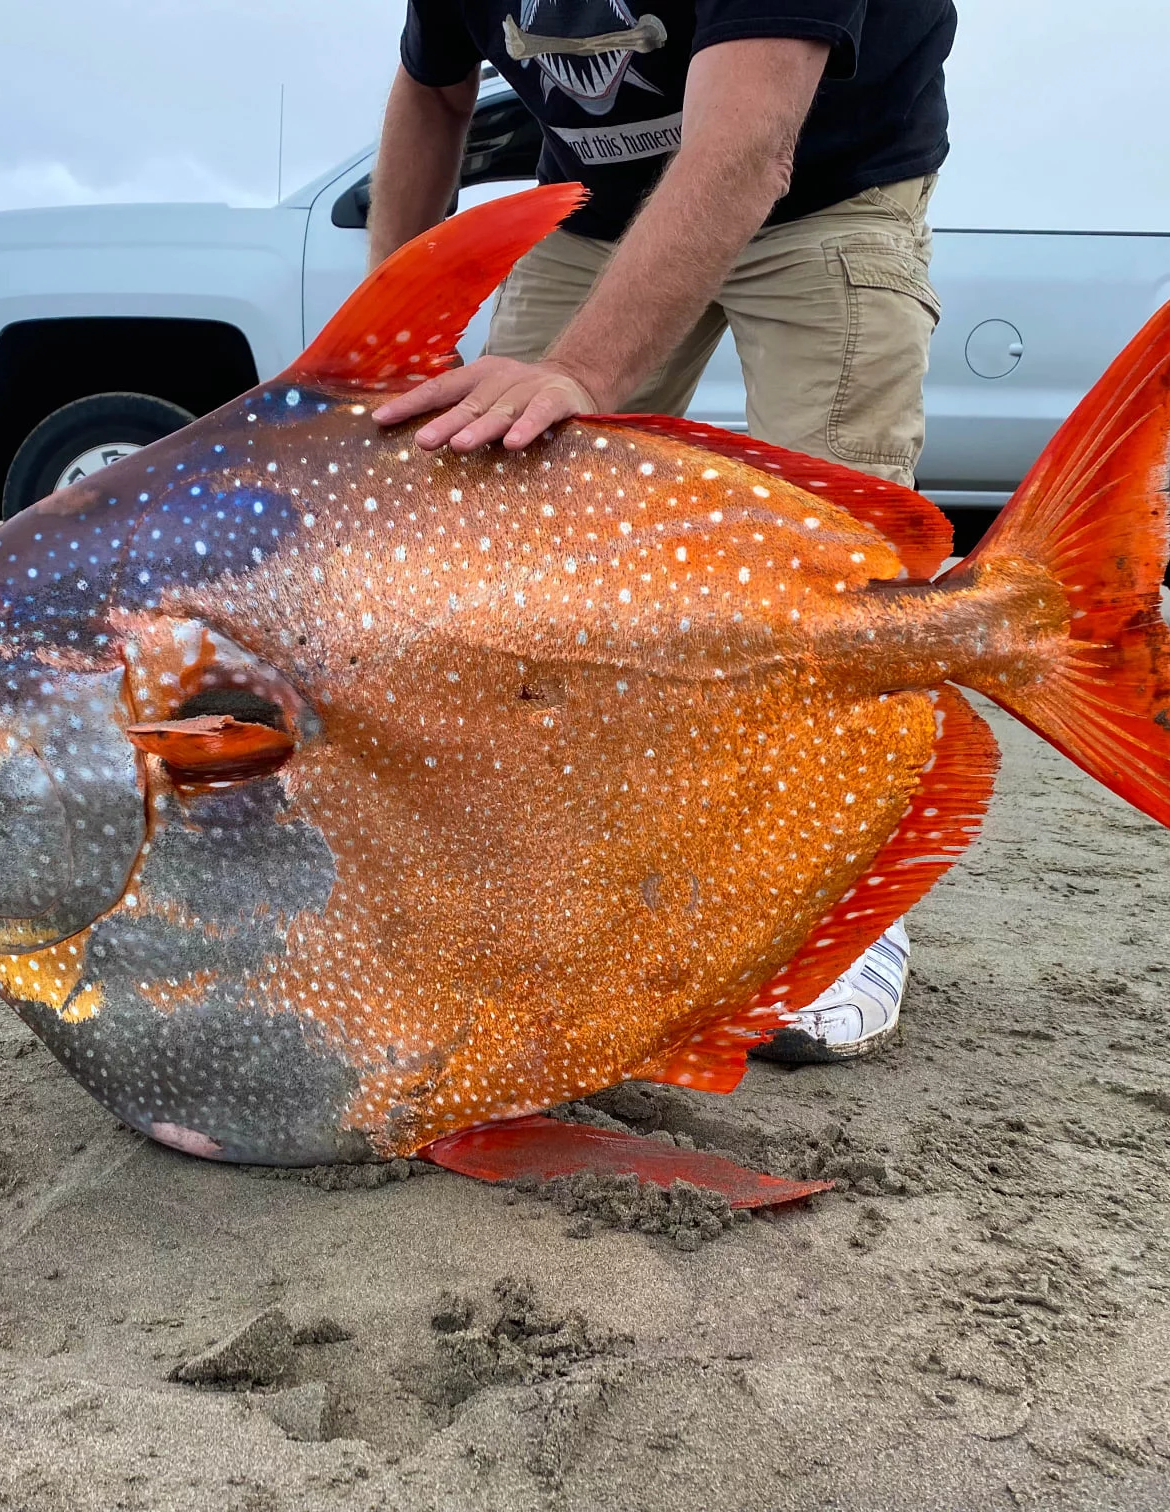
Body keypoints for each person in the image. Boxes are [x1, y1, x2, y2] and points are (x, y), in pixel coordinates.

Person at [367, 0, 957, 1062]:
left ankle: (843, 916)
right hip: (600, 217)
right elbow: (433, 89)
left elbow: (747, 147)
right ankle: (556, 888)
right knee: (493, 540)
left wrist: (581, 373)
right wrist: (390, 335)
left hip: (827, 188)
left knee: (837, 561)